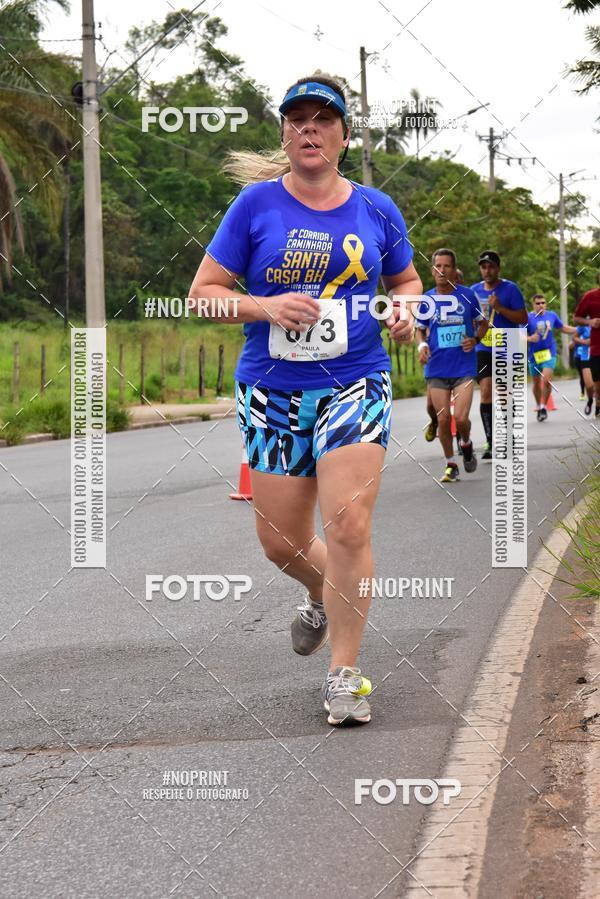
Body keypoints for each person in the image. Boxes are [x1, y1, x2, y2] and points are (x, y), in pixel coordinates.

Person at [188, 74, 422, 726]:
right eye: (298, 120)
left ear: (346, 136)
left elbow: (405, 279)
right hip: (272, 389)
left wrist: (404, 313)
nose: (309, 129)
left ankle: (344, 674)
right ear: (285, 134)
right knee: (280, 541)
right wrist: (263, 304)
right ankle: (324, 591)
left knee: (348, 523)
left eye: (324, 119)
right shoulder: (254, 207)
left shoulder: (376, 208)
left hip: (355, 381)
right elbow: (202, 292)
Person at [416, 249, 488, 482]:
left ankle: (466, 443)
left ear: (454, 270)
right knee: (444, 419)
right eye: (437, 265)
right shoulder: (427, 299)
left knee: (462, 419)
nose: (442, 270)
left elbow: (483, 323)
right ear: (432, 269)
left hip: (464, 368)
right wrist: (421, 345)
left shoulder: (467, 295)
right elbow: (419, 329)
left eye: (446, 266)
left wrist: (475, 339)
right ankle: (451, 464)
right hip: (436, 368)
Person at [470, 252, 528, 458]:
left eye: (491, 267)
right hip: (484, 347)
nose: (487, 271)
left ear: (498, 268)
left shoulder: (510, 289)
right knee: (485, 390)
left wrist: (500, 308)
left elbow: (523, 317)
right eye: (484, 267)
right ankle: (490, 441)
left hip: (507, 343)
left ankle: (510, 436)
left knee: (504, 394)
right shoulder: (473, 291)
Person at [526, 294, 577, 421]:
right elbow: (519, 335)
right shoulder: (528, 318)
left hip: (549, 353)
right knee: (536, 382)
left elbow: (563, 328)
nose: (540, 305)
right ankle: (539, 404)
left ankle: (543, 406)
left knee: (546, 380)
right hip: (534, 355)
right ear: (533, 305)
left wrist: (578, 329)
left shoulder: (552, 315)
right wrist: (529, 338)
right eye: (537, 303)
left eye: (543, 302)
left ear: (546, 304)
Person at [574, 273, 600, 418]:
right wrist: (591, 322)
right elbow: (576, 320)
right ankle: (593, 400)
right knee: (592, 384)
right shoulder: (590, 297)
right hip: (592, 351)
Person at [573, 322, 593, 414]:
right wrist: (585, 341)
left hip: (597, 355)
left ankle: (597, 406)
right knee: (589, 385)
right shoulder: (583, 325)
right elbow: (574, 338)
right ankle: (590, 400)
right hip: (585, 356)